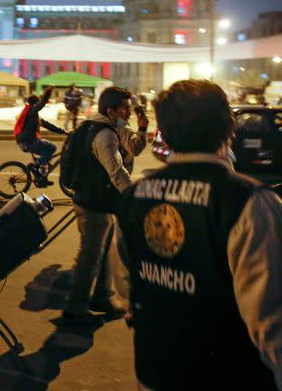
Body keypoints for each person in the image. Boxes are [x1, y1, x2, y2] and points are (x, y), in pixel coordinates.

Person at [114, 80, 281, 390]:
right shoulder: (249, 202)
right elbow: (268, 318)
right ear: (229, 128)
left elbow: (124, 285)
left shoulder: (132, 196)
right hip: (227, 376)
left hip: (154, 370)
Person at [63, 86, 148, 321]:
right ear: (111, 111)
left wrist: (141, 127)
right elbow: (117, 172)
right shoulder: (105, 134)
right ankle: (75, 306)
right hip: (94, 204)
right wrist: (133, 197)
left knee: (106, 254)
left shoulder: (114, 127)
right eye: (125, 109)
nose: (129, 113)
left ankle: (102, 297)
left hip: (103, 202)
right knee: (90, 256)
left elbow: (135, 148)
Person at [14, 86, 64, 184]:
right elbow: (42, 103)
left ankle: (42, 178)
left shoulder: (29, 113)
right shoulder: (32, 112)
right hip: (28, 142)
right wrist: (48, 91)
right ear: (35, 104)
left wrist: (63, 131)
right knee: (52, 147)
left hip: (25, 141)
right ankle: (35, 165)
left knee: (45, 153)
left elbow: (47, 125)